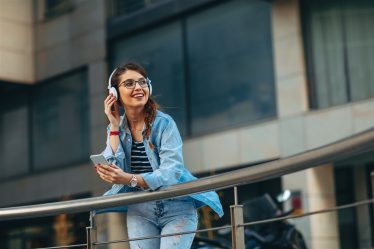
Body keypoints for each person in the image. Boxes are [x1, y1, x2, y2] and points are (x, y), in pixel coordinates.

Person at [94, 62, 223, 249]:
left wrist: (130, 179)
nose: (138, 87)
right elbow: (117, 172)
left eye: (142, 82)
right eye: (129, 83)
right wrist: (114, 127)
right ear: (114, 93)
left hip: (177, 206)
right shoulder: (115, 128)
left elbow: (172, 171)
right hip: (140, 209)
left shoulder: (164, 123)